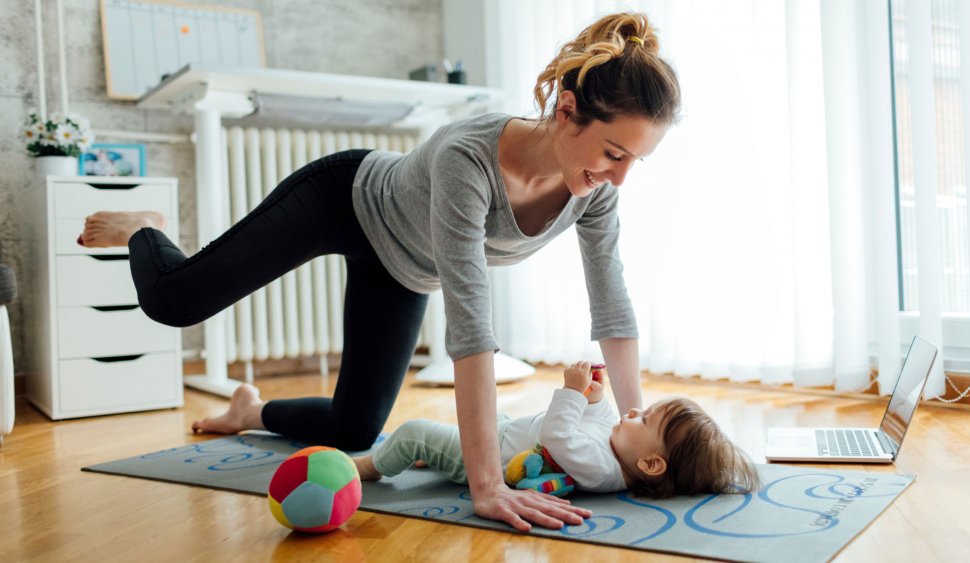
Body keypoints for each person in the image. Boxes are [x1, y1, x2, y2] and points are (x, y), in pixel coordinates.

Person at [78, 12, 681, 531]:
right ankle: (142, 229)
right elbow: (471, 327)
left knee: (355, 429)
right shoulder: (467, 160)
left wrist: (635, 433)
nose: (621, 175)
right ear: (568, 111)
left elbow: (613, 309)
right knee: (174, 303)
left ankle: (248, 413)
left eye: (636, 160)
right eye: (614, 152)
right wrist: (487, 484)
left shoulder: (595, 190)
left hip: (403, 269)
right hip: (344, 200)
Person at [353, 361, 760, 499]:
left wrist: (570, 392)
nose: (633, 410)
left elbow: (558, 437)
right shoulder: (618, 453)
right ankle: (434, 457)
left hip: (486, 456)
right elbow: (598, 424)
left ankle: (370, 466)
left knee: (413, 431)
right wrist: (595, 397)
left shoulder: (602, 469)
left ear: (652, 463)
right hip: (506, 432)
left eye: (645, 419)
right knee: (480, 415)